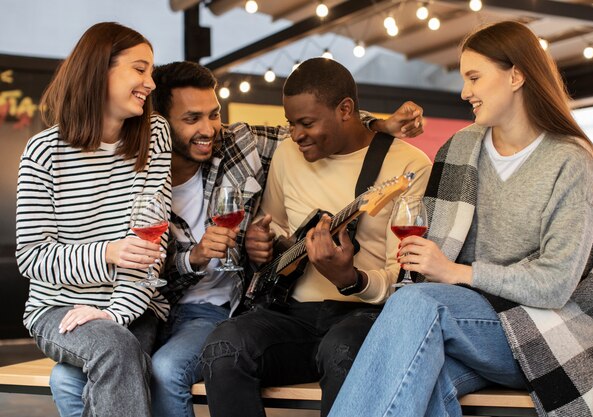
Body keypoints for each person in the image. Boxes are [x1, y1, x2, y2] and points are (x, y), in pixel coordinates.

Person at [48, 60, 425, 417]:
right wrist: (201, 256)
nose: (210, 128)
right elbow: (124, 256)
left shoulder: (238, 144)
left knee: (169, 369)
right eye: (192, 118)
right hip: (149, 304)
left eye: (214, 114)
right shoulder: (128, 171)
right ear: (159, 124)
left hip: (221, 309)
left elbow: (324, 125)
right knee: (65, 379)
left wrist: (378, 125)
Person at [327, 21, 593, 417]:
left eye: (475, 77)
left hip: (546, 328)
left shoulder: (571, 161)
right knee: (424, 382)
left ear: (516, 75)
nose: (465, 92)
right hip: (472, 322)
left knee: (418, 304)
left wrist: (455, 272)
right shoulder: (460, 148)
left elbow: (554, 284)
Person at [201, 57, 433, 417]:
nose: (295, 135)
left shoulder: (407, 165)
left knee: (341, 350)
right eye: (290, 124)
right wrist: (262, 244)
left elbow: (406, 280)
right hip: (293, 313)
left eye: (306, 123)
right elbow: (275, 224)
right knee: (224, 347)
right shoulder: (287, 153)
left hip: (366, 315)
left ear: (345, 110)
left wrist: (350, 279)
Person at [15, 22, 171, 417]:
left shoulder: (155, 136)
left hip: (132, 305)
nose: (150, 83)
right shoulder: (43, 152)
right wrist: (108, 253)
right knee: (113, 348)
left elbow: (153, 246)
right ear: (100, 68)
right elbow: (32, 256)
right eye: (139, 69)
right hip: (58, 308)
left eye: (151, 71)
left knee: (107, 349)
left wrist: (114, 313)